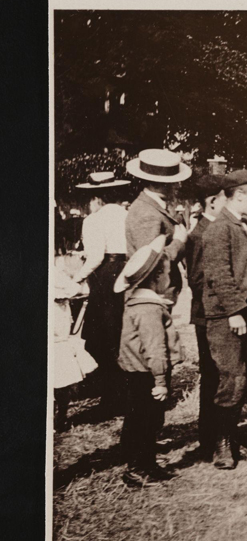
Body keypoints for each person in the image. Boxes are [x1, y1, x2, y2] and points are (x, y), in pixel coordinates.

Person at [201, 171, 247, 470]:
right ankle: (221, 446)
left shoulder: (238, 224)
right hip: (226, 316)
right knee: (232, 378)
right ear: (238, 195)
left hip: (239, 314)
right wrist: (235, 311)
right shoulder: (218, 229)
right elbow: (218, 274)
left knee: (240, 377)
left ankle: (233, 440)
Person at [115, 235, 184, 487]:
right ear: (156, 277)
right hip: (148, 374)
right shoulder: (150, 310)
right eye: (167, 273)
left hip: (138, 373)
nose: (169, 278)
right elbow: (155, 349)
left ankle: (147, 463)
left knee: (146, 420)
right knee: (145, 421)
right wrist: (160, 380)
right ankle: (136, 469)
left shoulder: (138, 302)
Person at [72, 172, 133, 415]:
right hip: (127, 272)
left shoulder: (93, 220)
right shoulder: (127, 215)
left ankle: (112, 399)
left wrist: (75, 277)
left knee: (103, 339)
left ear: (96, 198)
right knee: (121, 334)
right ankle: (127, 394)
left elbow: (96, 257)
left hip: (106, 276)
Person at [183, 174, 228, 461]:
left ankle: (226, 437)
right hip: (209, 318)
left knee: (231, 378)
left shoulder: (226, 227)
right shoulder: (199, 234)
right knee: (213, 378)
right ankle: (210, 442)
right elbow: (197, 280)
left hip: (225, 315)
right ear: (212, 202)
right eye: (227, 197)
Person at [124, 148, 192, 305]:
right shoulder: (146, 213)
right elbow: (149, 262)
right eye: (174, 181)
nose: (178, 186)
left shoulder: (154, 207)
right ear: (161, 184)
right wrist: (178, 242)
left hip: (159, 291)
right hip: (152, 294)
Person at [52, 261, 98, 432]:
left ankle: (60, 416)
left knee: (61, 377)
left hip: (58, 329)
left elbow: (81, 290)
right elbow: (78, 289)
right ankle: (58, 415)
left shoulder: (56, 270)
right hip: (55, 328)